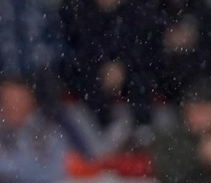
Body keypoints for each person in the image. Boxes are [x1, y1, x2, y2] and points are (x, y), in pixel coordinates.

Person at [59, 0, 163, 153]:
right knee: (80, 75)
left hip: (129, 70)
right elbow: (76, 46)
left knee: (143, 75)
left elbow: (145, 45)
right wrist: (103, 66)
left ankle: (143, 127)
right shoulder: (75, 9)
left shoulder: (139, 9)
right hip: (92, 71)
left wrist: (123, 65)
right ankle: (110, 124)